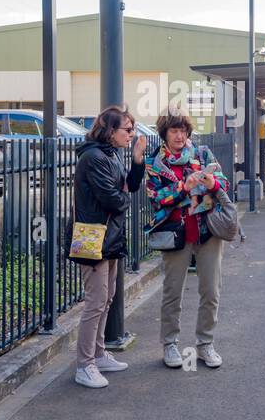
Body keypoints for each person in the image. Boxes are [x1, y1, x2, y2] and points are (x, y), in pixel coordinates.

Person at [145, 111, 231, 369]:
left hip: (208, 230)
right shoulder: (155, 163)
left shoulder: (202, 154)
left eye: (183, 130)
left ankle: (205, 344)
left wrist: (212, 183)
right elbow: (156, 198)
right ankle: (170, 344)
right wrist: (183, 186)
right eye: (174, 131)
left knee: (211, 290)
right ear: (164, 134)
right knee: (172, 292)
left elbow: (224, 184)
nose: (179, 135)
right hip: (176, 232)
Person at [71, 105, 146, 389]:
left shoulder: (110, 155)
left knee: (108, 297)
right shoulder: (93, 157)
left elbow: (129, 188)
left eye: (132, 129)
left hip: (109, 235)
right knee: (96, 301)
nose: (131, 134)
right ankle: (84, 364)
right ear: (109, 130)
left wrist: (137, 161)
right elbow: (113, 199)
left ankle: (98, 354)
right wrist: (123, 195)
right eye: (127, 129)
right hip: (92, 236)